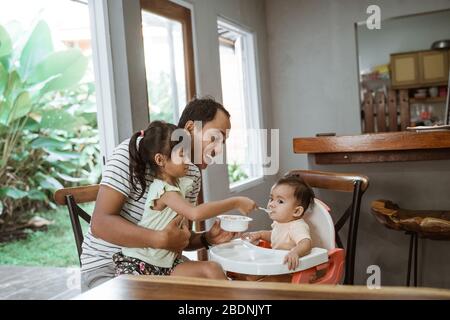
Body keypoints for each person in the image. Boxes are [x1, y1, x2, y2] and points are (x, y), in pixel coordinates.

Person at [81, 98, 238, 290]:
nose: (219, 149)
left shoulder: (192, 174)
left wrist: (207, 239)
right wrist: (158, 240)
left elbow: (176, 238)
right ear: (190, 129)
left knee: (215, 279)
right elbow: (100, 224)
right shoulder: (130, 153)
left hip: (161, 265)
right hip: (109, 265)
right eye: (215, 138)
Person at [113, 121, 256, 279]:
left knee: (213, 269)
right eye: (182, 154)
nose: (188, 160)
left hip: (167, 264)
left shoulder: (182, 183)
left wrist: (208, 237)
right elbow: (195, 213)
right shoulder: (162, 190)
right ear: (160, 160)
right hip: (140, 264)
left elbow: (185, 234)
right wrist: (235, 202)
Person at [243, 174, 314, 272]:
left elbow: (305, 243)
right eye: (271, 199)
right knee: (249, 273)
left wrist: (295, 252)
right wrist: (260, 234)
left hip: (291, 268)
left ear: (297, 211)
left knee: (261, 280)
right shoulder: (279, 223)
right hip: (278, 264)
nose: (271, 204)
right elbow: (276, 236)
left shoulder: (297, 226)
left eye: (280, 201)